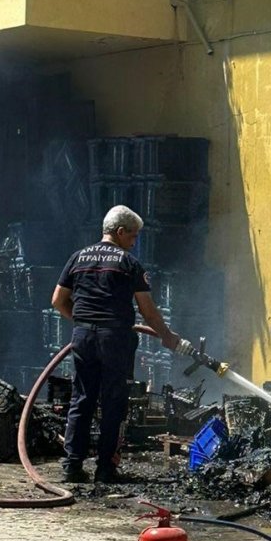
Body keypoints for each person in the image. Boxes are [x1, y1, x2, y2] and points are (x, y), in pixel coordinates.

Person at [51, 205, 193, 483]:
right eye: (133, 236)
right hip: (114, 339)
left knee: (82, 399)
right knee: (114, 402)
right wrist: (167, 336)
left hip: (83, 337)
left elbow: (57, 301)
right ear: (119, 232)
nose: (134, 242)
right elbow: (148, 311)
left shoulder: (77, 258)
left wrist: (83, 322)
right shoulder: (128, 264)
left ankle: (72, 467)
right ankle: (106, 469)